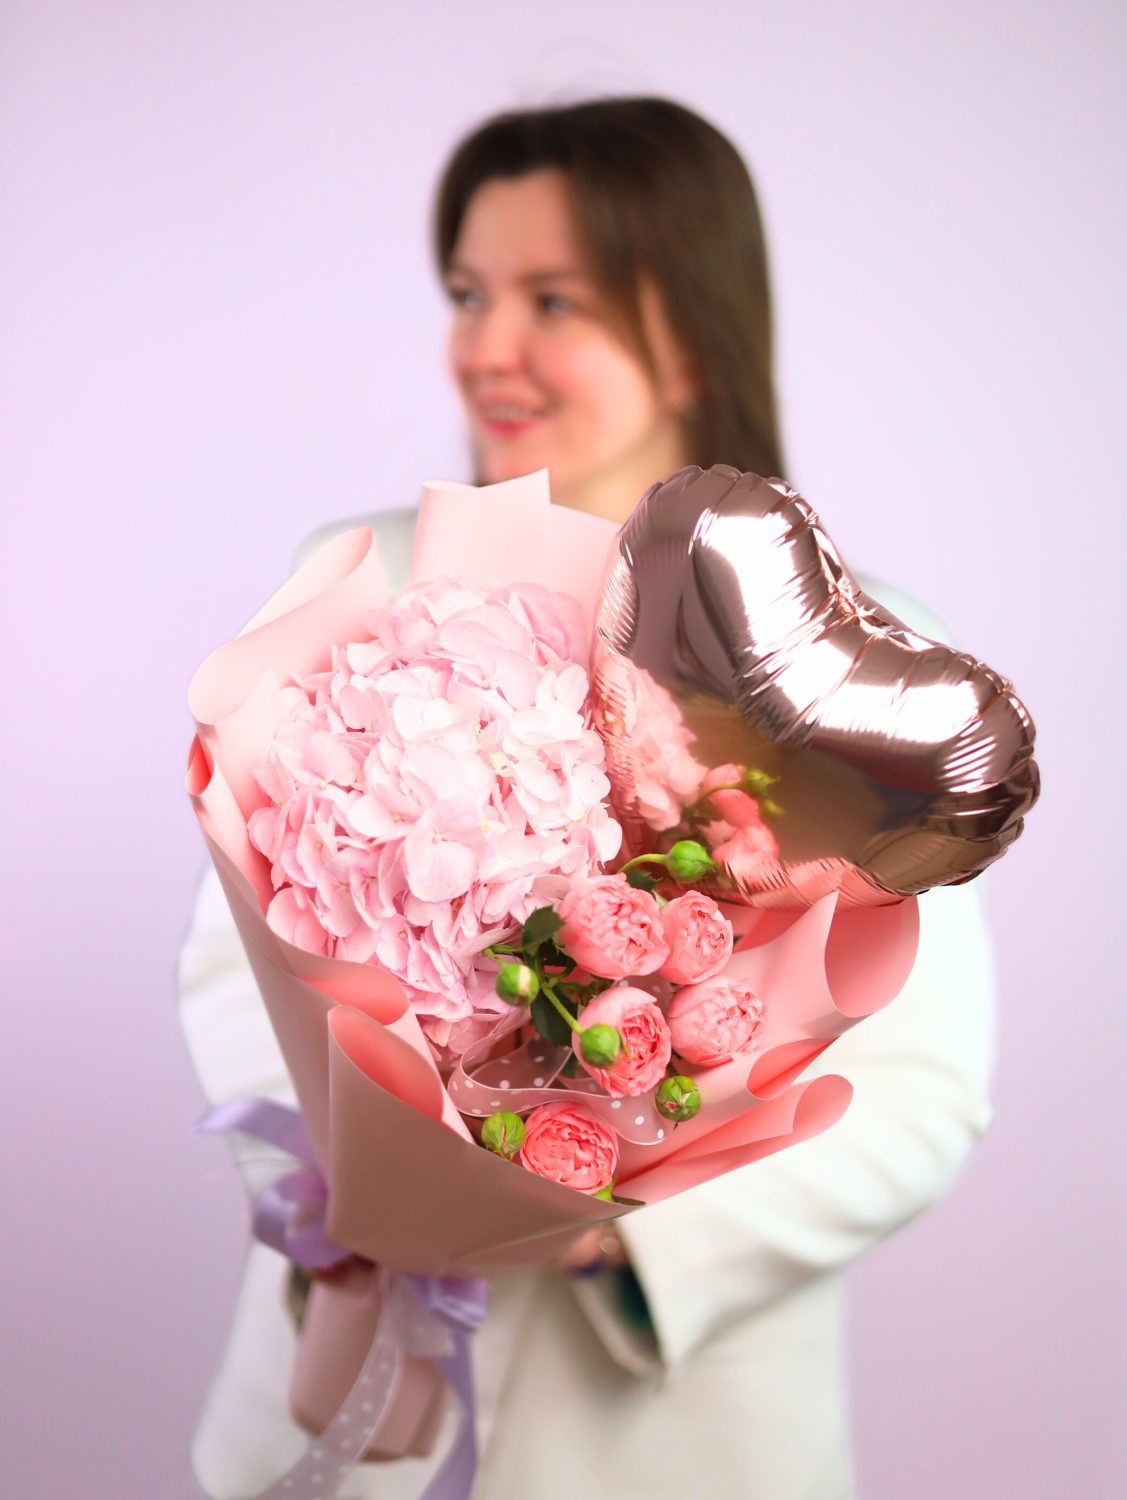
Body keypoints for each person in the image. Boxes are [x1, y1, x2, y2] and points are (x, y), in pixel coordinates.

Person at [180, 98, 995, 1500]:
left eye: (551, 300)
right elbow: (229, 967)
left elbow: (923, 1090)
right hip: (343, 1369)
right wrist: (365, 1185)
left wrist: (601, 1222)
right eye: (469, 293)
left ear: (690, 329)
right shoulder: (354, 578)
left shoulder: (855, 660)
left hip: (673, 1442)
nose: (485, 347)